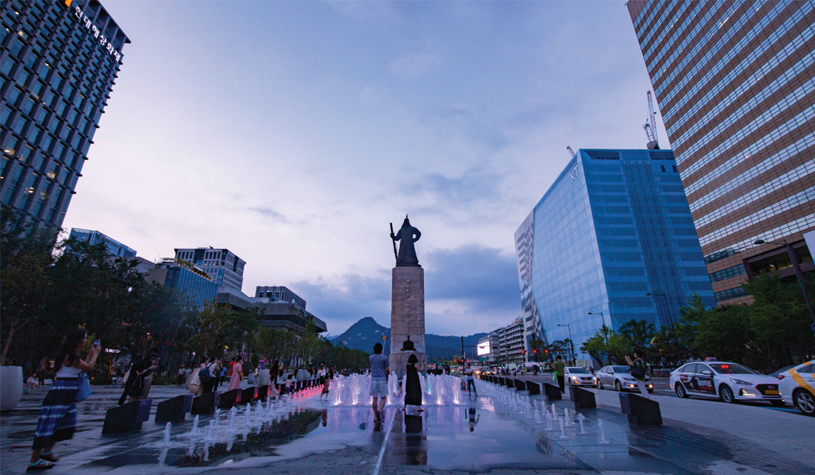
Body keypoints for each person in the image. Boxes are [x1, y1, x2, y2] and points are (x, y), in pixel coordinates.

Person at [29, 329, 101, 471]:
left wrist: (89, 356)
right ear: (78, 340)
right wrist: (96, 354)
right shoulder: (70, 357)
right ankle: (34, 460)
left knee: (65, 424)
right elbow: (89, 367)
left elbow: (80, 369)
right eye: (85, 338)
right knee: (48, 424)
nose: (86, 341)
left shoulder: (70, 356)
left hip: (67, 392)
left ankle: (47, 451)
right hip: (61, 392)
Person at [369, 343, 389, 422]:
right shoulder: (385, 358)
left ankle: (375, 417)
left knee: (374, 399)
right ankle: (379, 411)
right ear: (381, 349)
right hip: (382, 379)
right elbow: (387, 370)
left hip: (373, 379)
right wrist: (387, 377)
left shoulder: (371, 358)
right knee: (383, 397)